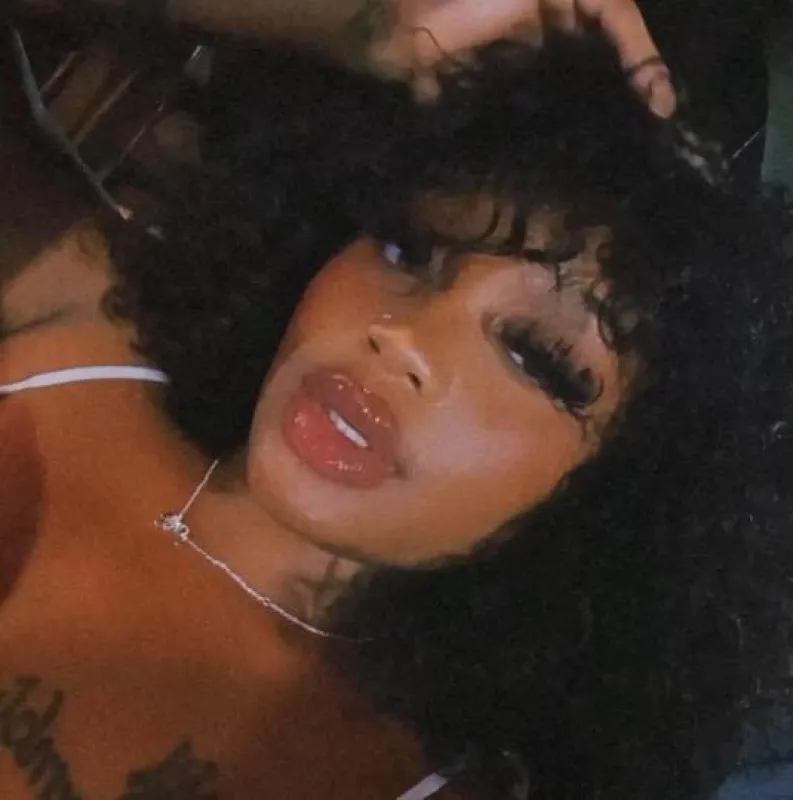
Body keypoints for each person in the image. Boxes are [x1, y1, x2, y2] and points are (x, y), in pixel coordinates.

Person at [2, 18, 793, 800]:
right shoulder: (80, 322)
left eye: (535, 356)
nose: (403, 338)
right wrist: (361, 25)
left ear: (621, 495)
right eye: (406, 249)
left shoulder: (409, 782)